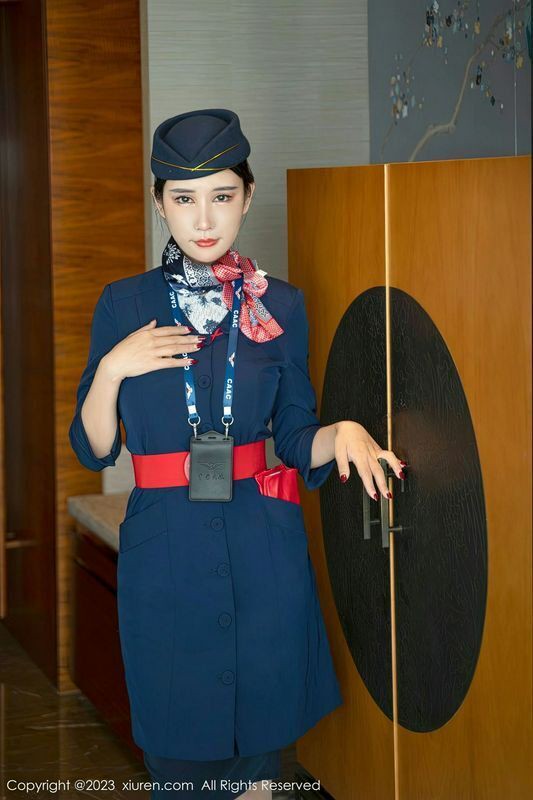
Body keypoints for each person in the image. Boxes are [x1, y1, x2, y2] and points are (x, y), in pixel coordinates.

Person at [69, 108, 406, 799]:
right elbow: (95, 448)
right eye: (183, 199)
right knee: (178, 762)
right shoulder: (123, 305)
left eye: (221, 196)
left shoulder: (280, 305)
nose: (203, 219)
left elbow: (294, 435)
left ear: (247, 197)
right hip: (165, 554)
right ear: (159, 203)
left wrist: (341, 432)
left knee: (259, 765)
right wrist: (113, 368)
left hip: (263, 551)